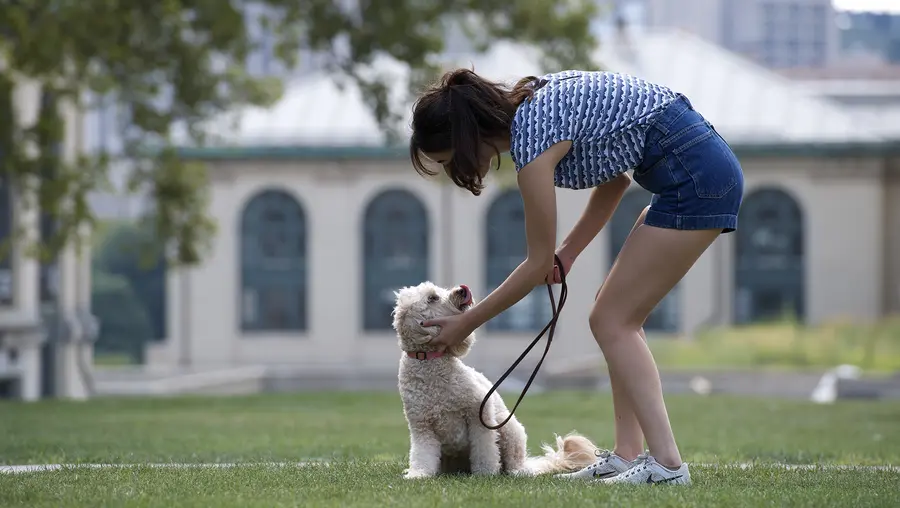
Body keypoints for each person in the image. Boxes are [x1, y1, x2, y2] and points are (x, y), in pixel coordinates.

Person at [409, 68, 744, 485]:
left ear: (461, 141)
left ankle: (668, 467)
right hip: (690, 171)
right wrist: (566, 255)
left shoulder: (533, 139)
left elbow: (534, 265)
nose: (450, 171)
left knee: (612, 320)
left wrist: (465, 322)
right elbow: (615, 183)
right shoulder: (532, 109)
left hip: (696, 178)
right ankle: (626, 455)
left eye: (445, 160)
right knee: (613, 316)